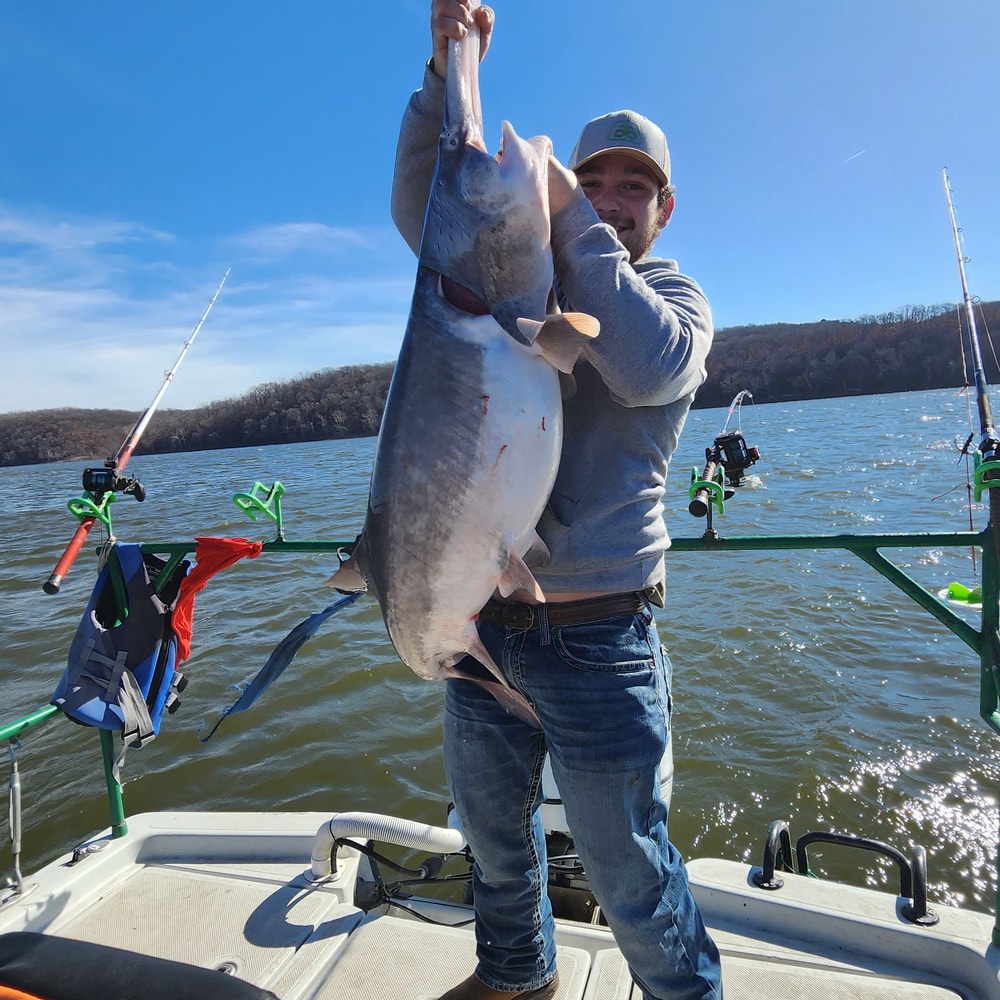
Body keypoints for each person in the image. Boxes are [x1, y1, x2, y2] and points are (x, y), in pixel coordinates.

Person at [390, 3, 723, 998]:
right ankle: (517, 975)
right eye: (594, 183)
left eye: (635, 187)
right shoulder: (517, 289)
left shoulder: (674, 299)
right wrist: (449, 66)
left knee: (628, 874)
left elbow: (646, 363)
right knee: (494, 842)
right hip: (490, 626)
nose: (612, 199)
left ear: (662, 211)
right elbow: (430, 213)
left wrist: (566, 216)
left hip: (600, 638)